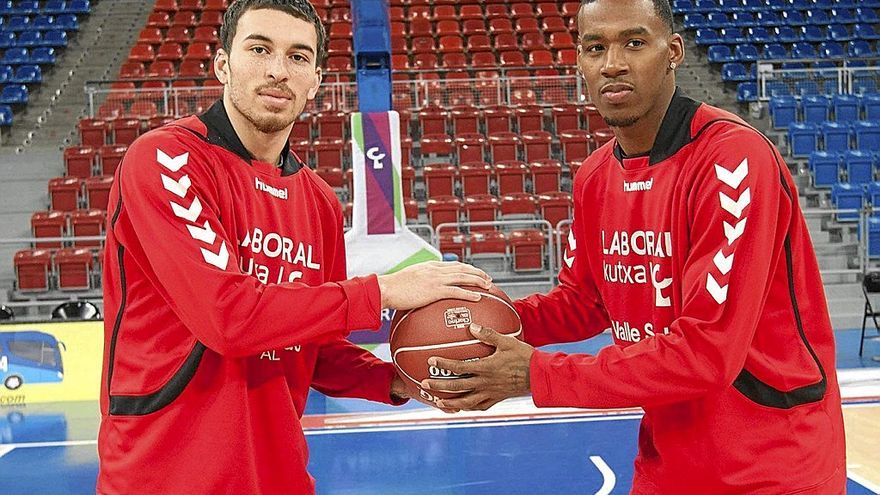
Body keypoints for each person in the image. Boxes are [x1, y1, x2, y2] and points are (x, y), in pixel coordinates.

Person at [421, 0, 847, 493]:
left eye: (635, 42)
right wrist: (475, 321)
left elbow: (707, 353)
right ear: (579, 61)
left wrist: (536, 374)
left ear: (674, 51)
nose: (613, 63)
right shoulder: (595, 176)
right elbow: (585, 303)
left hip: (773, 466)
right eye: (594, 47)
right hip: (667, 461)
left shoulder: (733, 160)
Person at [96, 1, 491, 493]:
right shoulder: (167, 159)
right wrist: (384, 290)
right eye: (259, 49)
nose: (278, 70)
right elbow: (230, 318)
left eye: (298, 57)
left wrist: (405, 381)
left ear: (318, 79)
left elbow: (314, 347)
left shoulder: (319, 201)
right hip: (166, 475)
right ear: (223, 64)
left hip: (279, 474)